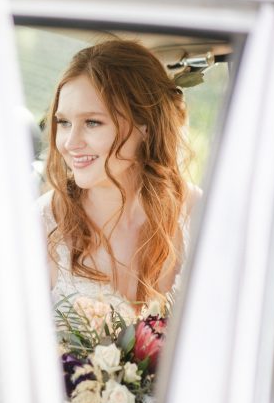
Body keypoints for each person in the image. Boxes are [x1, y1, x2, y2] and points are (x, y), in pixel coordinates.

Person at [40, 39, 200, 312]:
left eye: (92, 122)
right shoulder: (42, 225)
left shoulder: (199, 213)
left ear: (145, 127)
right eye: (64, 123)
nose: (70, 142)